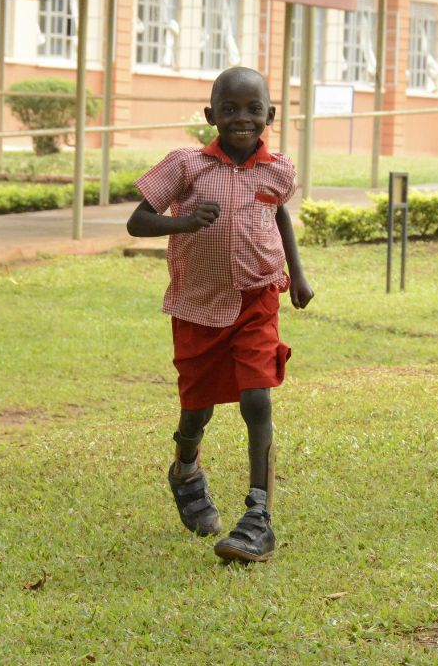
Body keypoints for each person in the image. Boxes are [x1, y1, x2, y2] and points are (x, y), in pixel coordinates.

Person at [127, 66, 314, 562]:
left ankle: (259, 516)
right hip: (198, 304)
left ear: (270, 115)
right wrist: (185, 222)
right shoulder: (185, 165)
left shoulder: (279, 169)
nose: (242, 118)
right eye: (229, 109)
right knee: (198, 408)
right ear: (211, 115)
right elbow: (137, 221)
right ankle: (186, 468)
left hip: (257, 297)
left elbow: (278, 213)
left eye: (254, 109)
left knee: (258, 398)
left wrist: (297, 273)